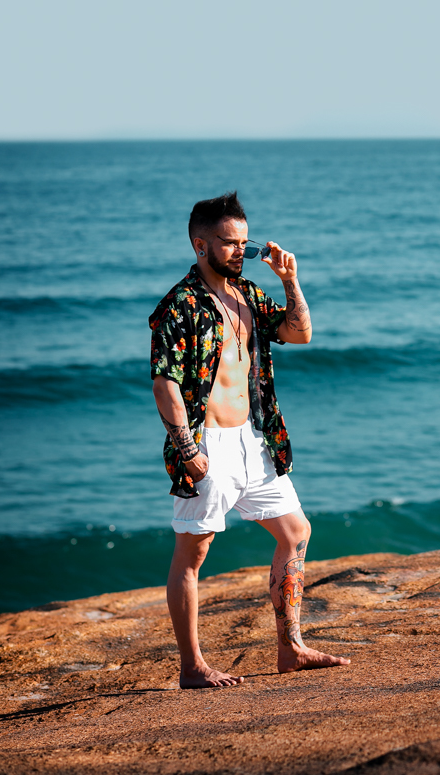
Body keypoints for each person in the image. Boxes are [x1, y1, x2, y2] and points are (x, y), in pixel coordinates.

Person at [148, 191, 350, 688]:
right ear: (200, 245)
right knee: (192, 555)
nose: (241, 250)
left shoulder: (250, 295)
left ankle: (291, 648)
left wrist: (291, 280)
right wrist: (186, 447)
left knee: (296, 532)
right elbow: (165, 381)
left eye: (245, 241)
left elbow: (299, 333)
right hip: (207, 444)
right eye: (229, 242)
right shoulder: (179, 306)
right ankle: (192, 666)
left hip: (255, 441)